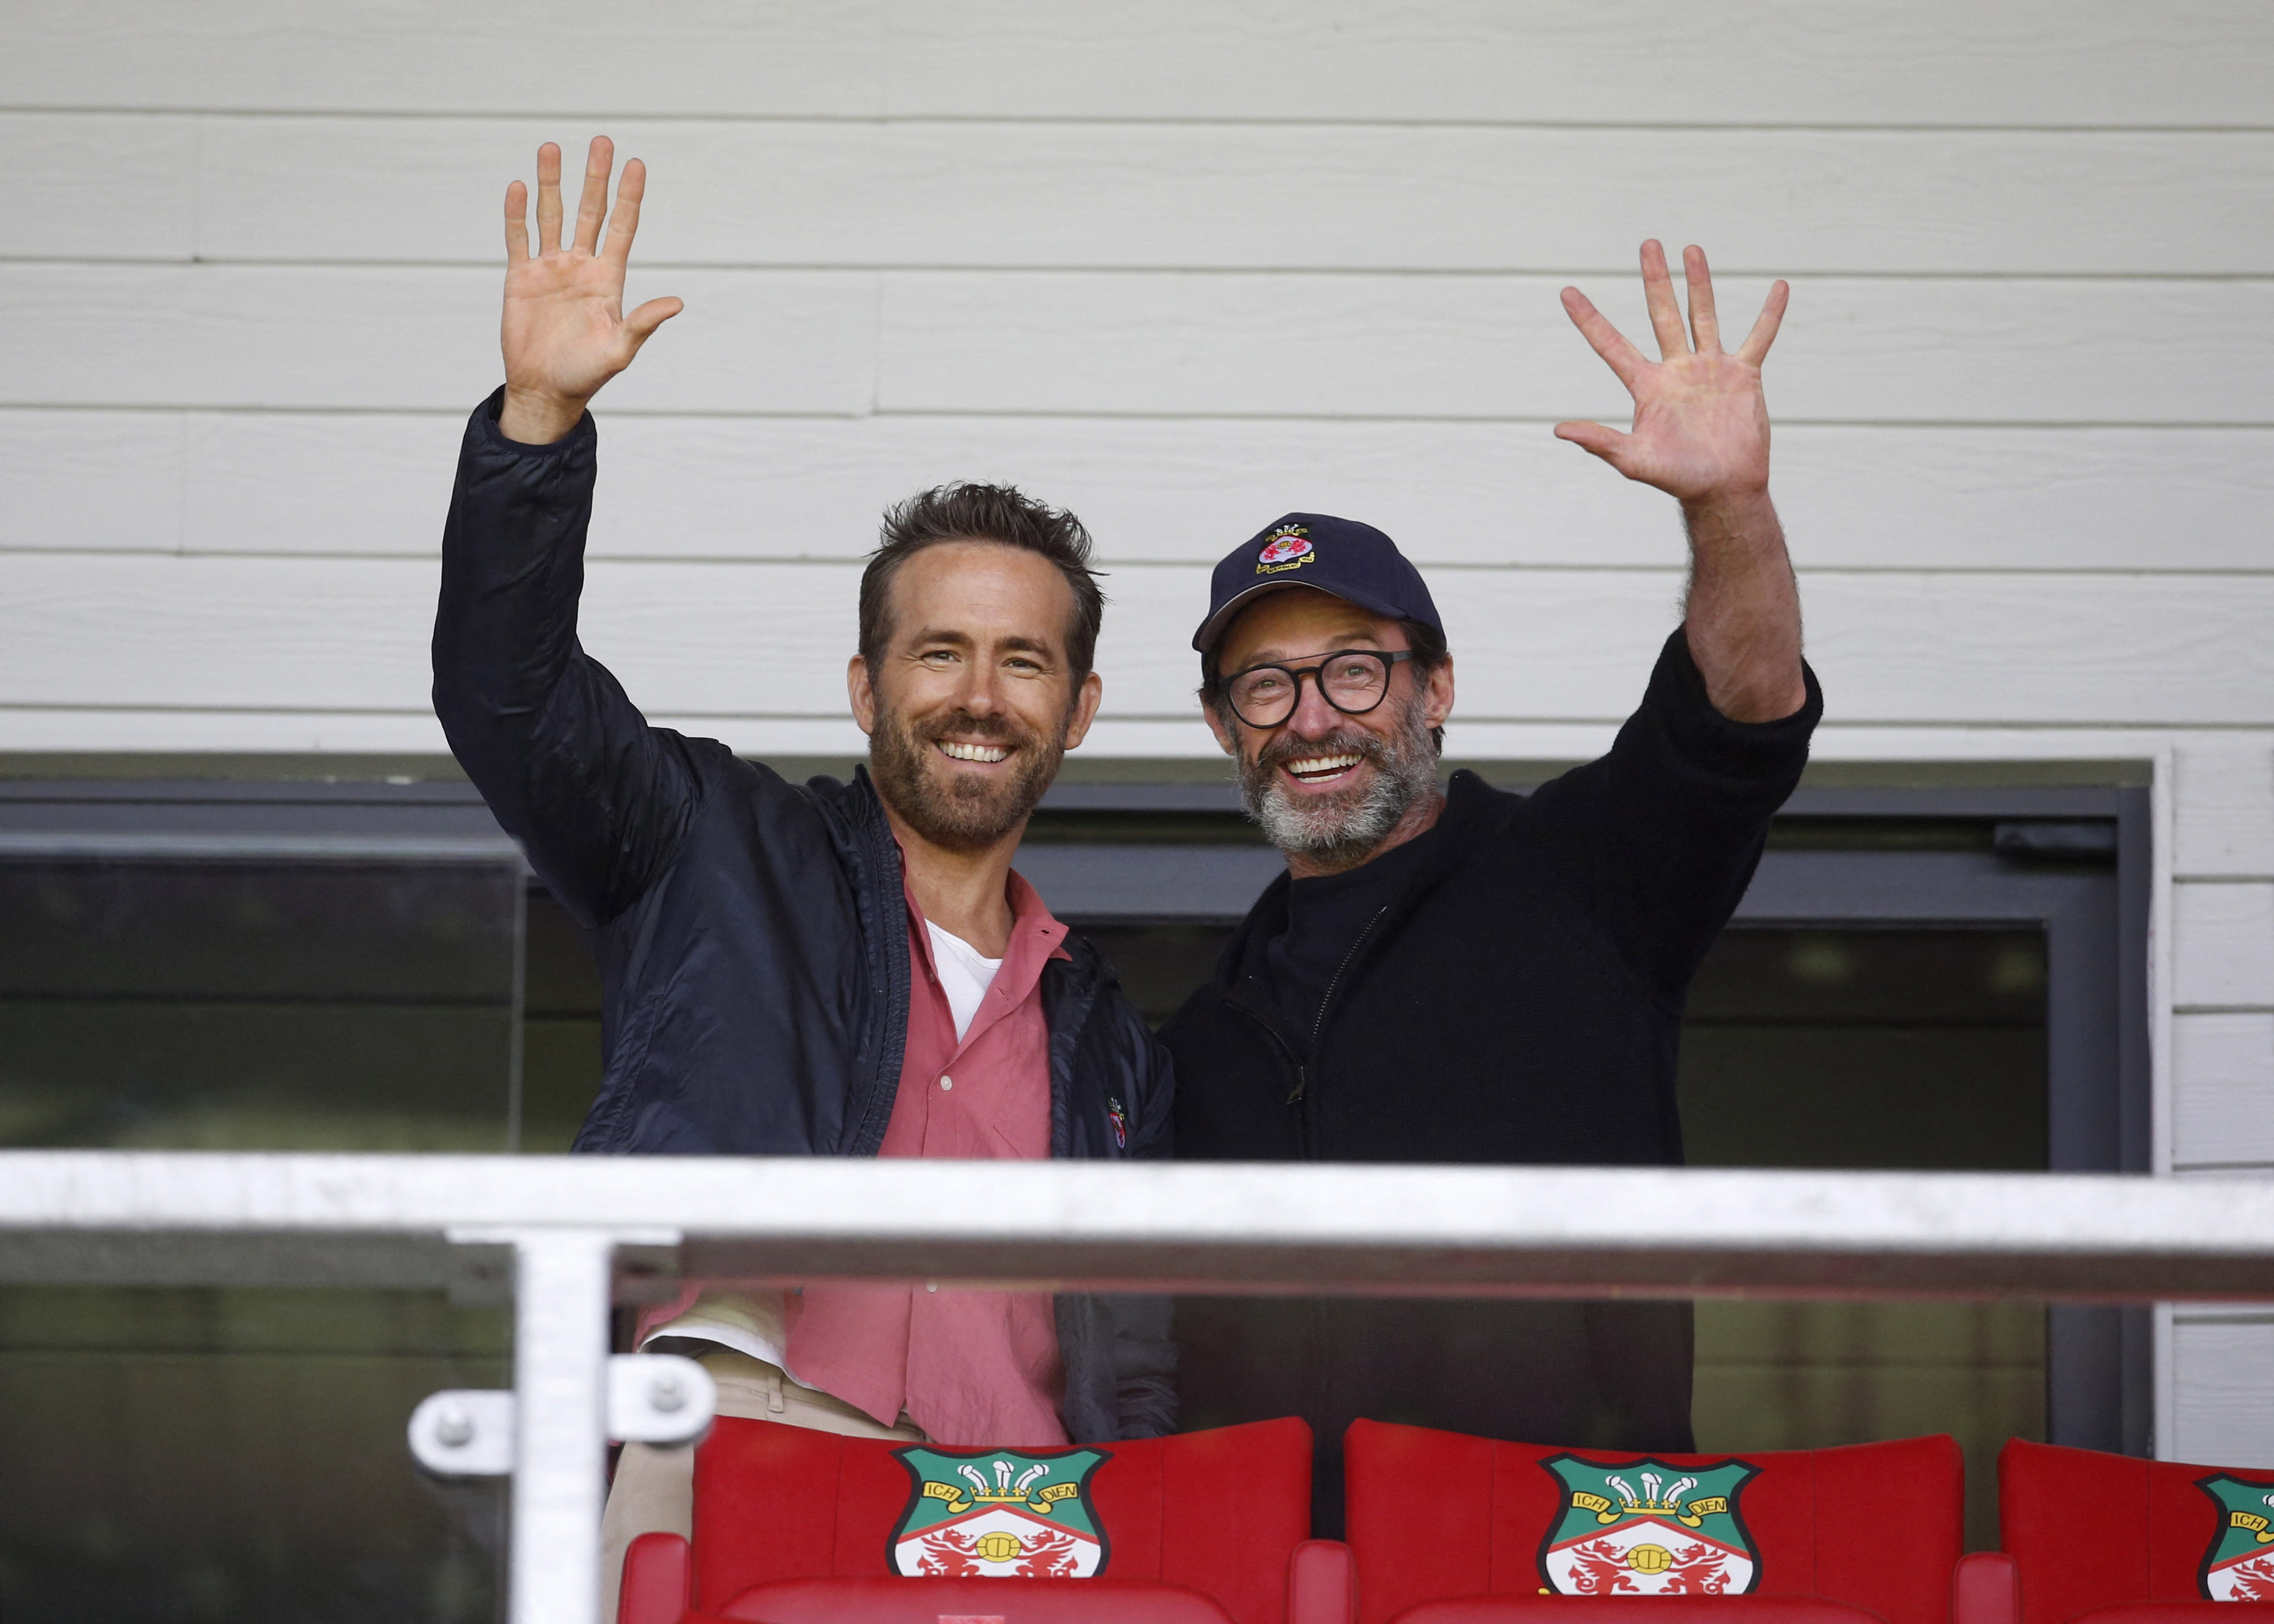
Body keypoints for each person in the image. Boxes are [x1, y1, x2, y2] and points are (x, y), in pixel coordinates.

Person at [429, 138, 1174, 1611]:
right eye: (938, 652)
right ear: (863, 686)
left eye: (1023, 659)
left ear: (1077, 711)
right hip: (730, 1453)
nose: (979, 692)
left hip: (1010, 1527)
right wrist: (537, 426)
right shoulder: (712, 841)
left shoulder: (1111, 1036)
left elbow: (1134, 1360)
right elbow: (505, 698)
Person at [1161, 242, 1822, 1534]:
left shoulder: (1583, 871)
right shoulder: (1200, 1025)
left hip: (1563, 1557)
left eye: (1352, 668)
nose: (1310, 717)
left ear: (1434, 687)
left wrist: (1726, 503)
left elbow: (1740, 713)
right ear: (1221, 725)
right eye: (1264, 683)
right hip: (1273, 1575)